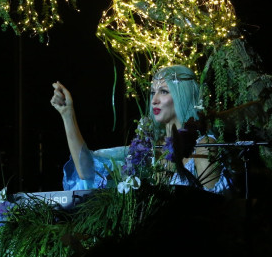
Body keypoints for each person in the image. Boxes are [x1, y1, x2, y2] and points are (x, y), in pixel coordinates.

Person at [50, 65, 230, 194]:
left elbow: (216, 209)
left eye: (164, 91)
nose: (154, 100)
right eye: (152, 92)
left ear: (182, 94)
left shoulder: (203, 146)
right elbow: (87, 170)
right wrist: (68, 115)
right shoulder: (147, 151)